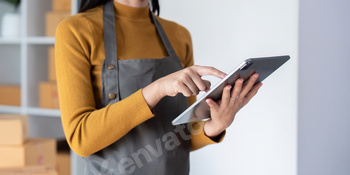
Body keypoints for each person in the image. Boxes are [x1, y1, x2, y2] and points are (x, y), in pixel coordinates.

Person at [55, 0, 262, 174]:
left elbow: (182, 134)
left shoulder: (179, 35)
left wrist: (216, 125)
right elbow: (80, 138)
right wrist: (157, 89)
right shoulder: (76, 30)